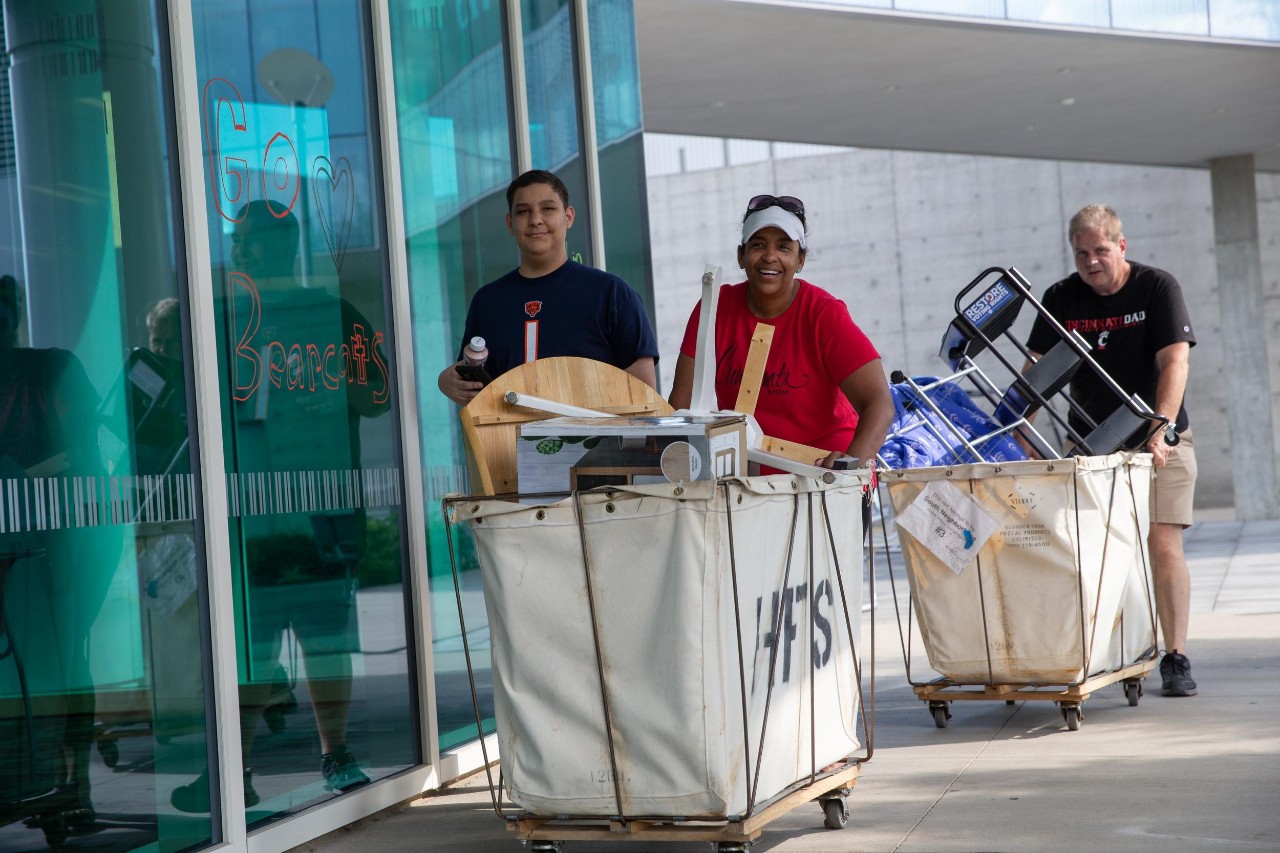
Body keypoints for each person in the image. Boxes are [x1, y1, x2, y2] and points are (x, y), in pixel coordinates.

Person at [171, 201, 386, 812]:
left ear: (284, 243)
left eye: (252, 242)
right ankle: (235, 772)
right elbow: (192, 408)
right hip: (247, 512)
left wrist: (329, 387)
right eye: (237, 242)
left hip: (319, 507)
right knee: (250, 644)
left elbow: (378, 397)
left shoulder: (334, 313)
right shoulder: (220, 318)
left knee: (325, 639)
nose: (241, 252)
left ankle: (336, 754)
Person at [1025, 204, 1198, 697]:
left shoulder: (1157, 288)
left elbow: (1174, 362)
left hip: (1158, 437)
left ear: (1121, 246)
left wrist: (1161, 428)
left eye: (1101, 250)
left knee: (1162, 542)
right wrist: (1017, 431)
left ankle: (1175, 657)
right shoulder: (1061, 296)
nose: (1092, 261)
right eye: (1082, 253)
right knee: (1086, 550)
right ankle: (1098, 650)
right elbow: (1036, 368)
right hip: (1089, 442)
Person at [668, 194, 893, 469]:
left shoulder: (823, 314)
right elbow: (682, 407)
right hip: (745, 482)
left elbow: (879, 403)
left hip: (821, 477)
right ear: (741, 255)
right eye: (758, 244)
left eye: (784, 247)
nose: (770, 256)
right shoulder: (714, 308)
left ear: (801, 260)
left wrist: (850, 464)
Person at [436, 170, 659, 405]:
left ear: (569, 217)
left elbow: (644, 396)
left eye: (548, 209)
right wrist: (446, 381)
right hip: (505, 441)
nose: (535, 220)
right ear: (510, 223)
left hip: (594, 440)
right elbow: (473, 382)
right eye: (523, 211)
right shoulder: (488, 302)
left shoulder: (611, 294)